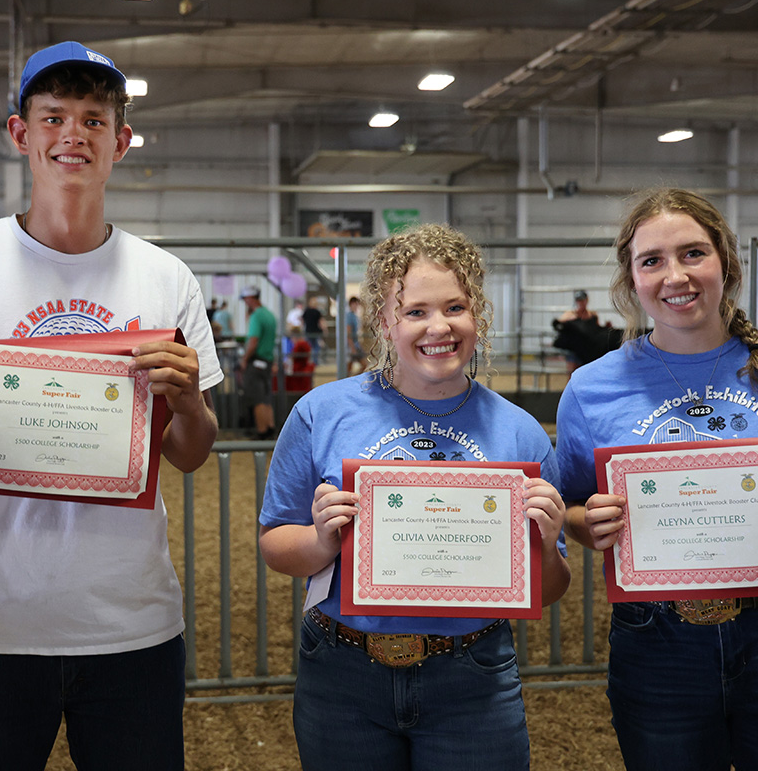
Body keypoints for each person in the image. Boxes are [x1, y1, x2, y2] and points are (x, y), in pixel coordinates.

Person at [0, 40, 222, 770]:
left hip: (131, 625)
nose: (73, 135)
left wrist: (188, 402)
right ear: (19, 133)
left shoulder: (167, 279)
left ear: (121, 141)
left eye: (94, 120)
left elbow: (189, 452)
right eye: (53, 116)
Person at [556, 188, 758, 771]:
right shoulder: (590, 388)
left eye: (693, 253)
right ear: (631, 279)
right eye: (652, 260)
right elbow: (574, 503)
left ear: (725, 261)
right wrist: (587, 524)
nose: (675, 276)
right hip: (657, 639)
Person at [258, 224, 570, 770]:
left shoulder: (521, 432)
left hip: (472, 673)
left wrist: (544, 541)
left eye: (455, 307)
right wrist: (322, 541)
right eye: (415, 311)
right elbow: (275, 543)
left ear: (477, 316)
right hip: (342, 670)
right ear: (384, 321)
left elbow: (549, 589)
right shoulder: (320, 413)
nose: (439, 327)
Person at [240, 284, 276, 440]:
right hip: (267, 361)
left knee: (257, 399)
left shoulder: (256, 316)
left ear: (250, 298)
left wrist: (245, 359)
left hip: (256, 362)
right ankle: (270, 428)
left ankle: (261, 432)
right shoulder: (269, 315)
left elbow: (253, 341)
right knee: (266, 398)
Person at [344, 295, 365, 376]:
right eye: (355, 304)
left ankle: (351, 379)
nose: (357, 306)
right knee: (350, 367)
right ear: (351, 304)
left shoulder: (355, 316)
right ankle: (351, 379)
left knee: (350, 367)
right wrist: (352, 346)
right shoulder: (349, 316)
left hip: (355, 343)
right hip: (352, 344)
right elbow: (348, 332)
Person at [302, 296, 323, 365]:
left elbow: (302, 321)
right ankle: (315, 361)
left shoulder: (306, 311)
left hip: (308, 332)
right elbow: (321, 322)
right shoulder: (317, 312)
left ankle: (310, 362)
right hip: (315, 332)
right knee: (316, 347)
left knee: (310, 347)